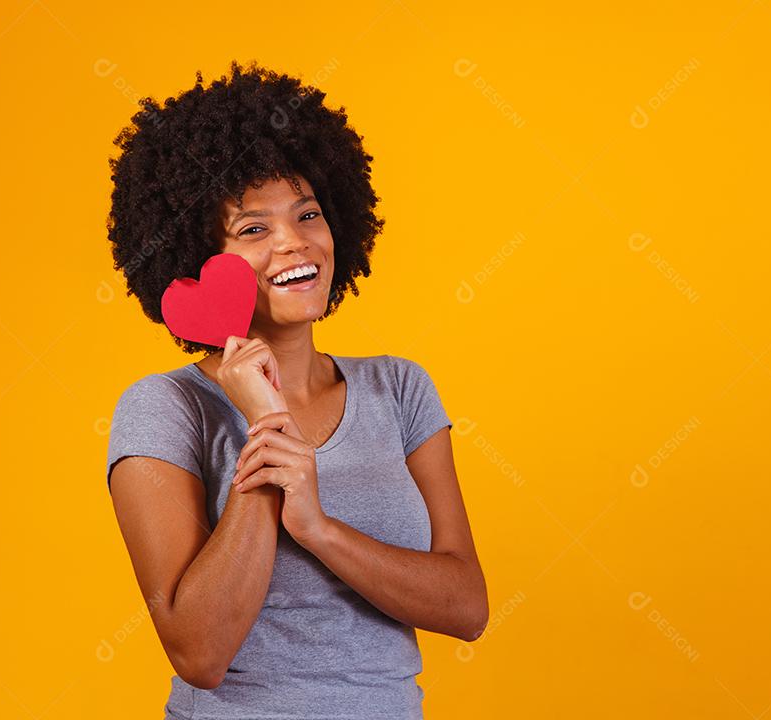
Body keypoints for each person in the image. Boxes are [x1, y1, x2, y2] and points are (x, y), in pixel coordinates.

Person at [104, 60, 488, 719]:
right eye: (253, 229)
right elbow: (199, 651)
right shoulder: (165, 409)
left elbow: (466, 606)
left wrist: (318, 528)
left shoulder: (400, 389)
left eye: (308, 214)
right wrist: (267, 430)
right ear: (196, 261)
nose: (294, 242)